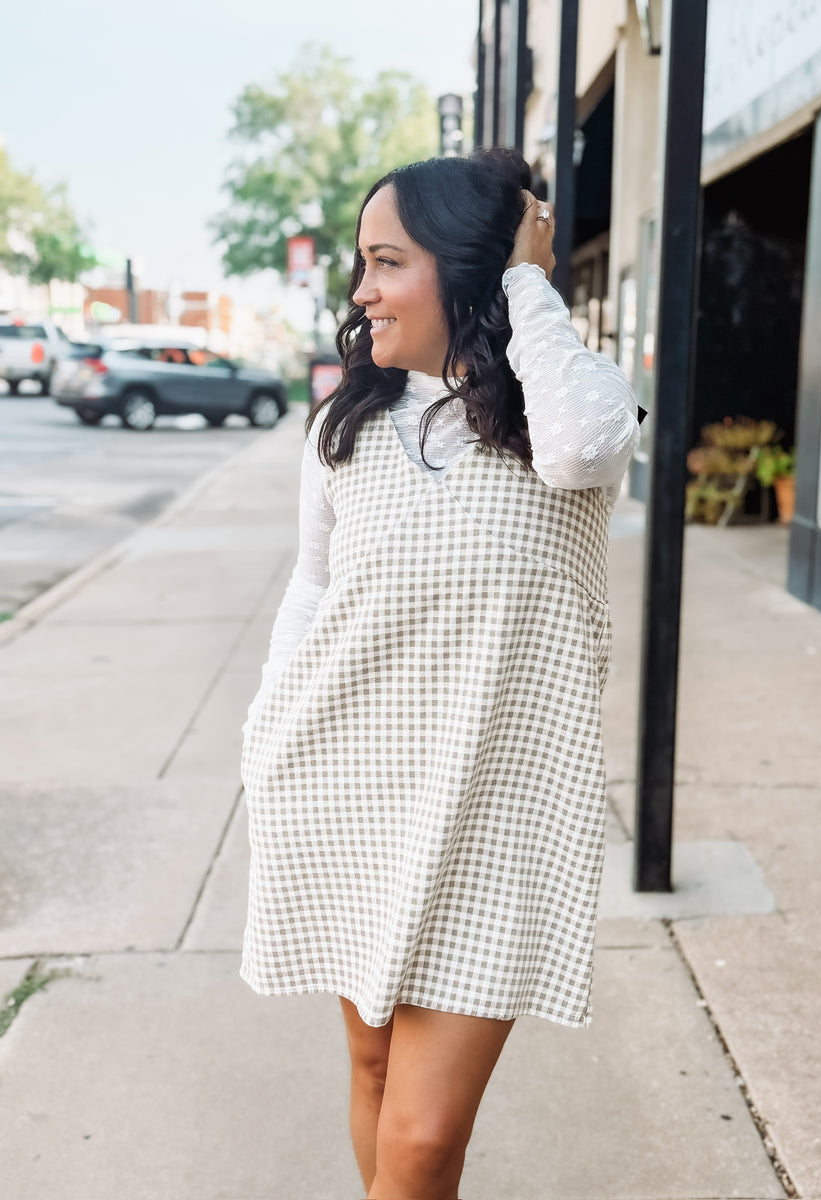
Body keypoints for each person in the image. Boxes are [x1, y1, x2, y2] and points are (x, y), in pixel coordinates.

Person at [241, 148, 641, 1200]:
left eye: (387, 262)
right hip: (347, 787)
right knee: (374, 1072)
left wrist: (526, 278)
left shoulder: (569, 406)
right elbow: (311, 592)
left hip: (497, 815)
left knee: (420, 1141)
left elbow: (582, 450)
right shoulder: (345, 427)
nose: (361, 291)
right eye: (360, 265)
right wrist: (263, 729)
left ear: (467, 269)